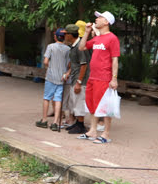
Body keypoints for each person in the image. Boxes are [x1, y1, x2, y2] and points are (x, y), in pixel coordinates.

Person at [77, 11, 120, 143]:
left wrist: (114, 78)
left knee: (105, 106)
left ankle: (106, 134)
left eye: (100, 17)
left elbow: (115, 60)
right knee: (92, 104)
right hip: (93, 77)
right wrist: (87, 32)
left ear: (106, 22)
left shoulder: (112, 38)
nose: (96, 19)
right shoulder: (97, 38)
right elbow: (81, 47)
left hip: (104, 78)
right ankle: (92, 131)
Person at [36, 28, 70, 131]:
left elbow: (46, 61)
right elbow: (69, 64)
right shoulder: (68, 49)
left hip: (51, 76)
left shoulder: (50, 47)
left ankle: (44, 120)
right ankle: (55, 122)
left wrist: (49, 67)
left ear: (55, 37)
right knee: (58, 99)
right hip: (61, 78)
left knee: (47, 98)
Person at [62, 23, 90, 134]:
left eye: (66, 34)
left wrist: (79, 82)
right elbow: (75, 64)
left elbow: (84, 65)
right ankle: (78, 123)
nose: (64, 36)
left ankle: (81, 125)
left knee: (79, 102)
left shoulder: (80, 47)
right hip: (74, 77)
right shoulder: (73, 46)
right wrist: (68, 73)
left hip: (80, 80)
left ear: (70, 35)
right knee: (74, 102)